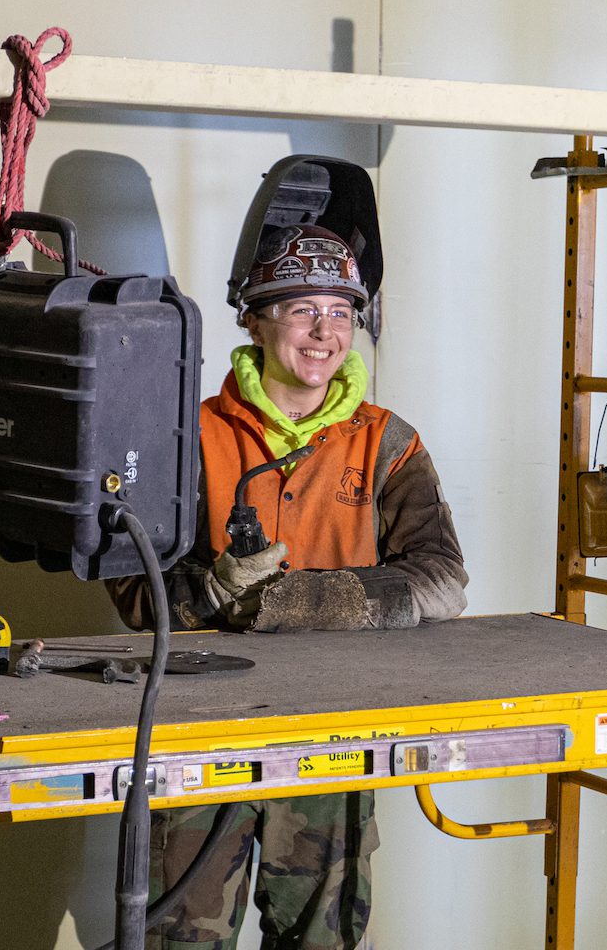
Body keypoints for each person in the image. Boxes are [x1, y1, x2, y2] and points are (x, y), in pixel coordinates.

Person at [106, 223, 468, 950]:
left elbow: (442, 580)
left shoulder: (387, 442)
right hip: (199, 734)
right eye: (303, 309)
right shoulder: (184, 435)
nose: (325, 331)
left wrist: (308, 601)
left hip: (333, 735)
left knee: (323, 940)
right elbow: (130, 590)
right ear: (256, 317)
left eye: (341, 312)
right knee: (180, 937)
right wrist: (213, 589)